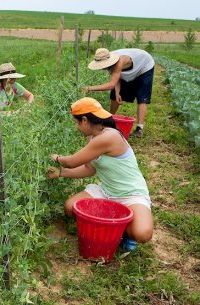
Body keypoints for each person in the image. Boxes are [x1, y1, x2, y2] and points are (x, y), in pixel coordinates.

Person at [47, 97, 153, 251]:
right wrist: (61, 173)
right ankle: (115, 221)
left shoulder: (109, 137)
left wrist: (57, 158)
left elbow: (71, 161)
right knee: (70, 207)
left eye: (76, 123)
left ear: (84, 120)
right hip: (106, 190)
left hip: (131, 193)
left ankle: (122, 229)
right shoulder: (93, 136)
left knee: (142, 234)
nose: (76, 127)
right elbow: (90, 169)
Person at [82, 48, 155, 138]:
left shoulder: (120, 61)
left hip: (144, 66)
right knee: (113, 95)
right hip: (126, 68)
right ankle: (110, 120)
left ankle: (139, 128)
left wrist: (89, 88)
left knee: (142, 97)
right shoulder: (108, 59)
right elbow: (116, 77)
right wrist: (117, 92)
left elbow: (111, 84)